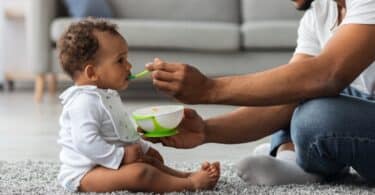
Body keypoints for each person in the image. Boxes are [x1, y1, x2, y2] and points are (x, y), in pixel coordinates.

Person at [142, 0, 375, 185]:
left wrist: (208, 89)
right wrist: (206, 131)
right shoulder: (320, 13)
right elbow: (288, 95)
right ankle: (292, 156)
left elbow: (326, 75)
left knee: (316, 115)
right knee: (293, 88)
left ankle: (301, 162)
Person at [56, 18, 220, 193]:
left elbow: (120, 131)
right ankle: (191, 184)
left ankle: (184, 176)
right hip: (86, 174)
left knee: (151, 159)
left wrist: (143, 148)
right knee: (140, 173)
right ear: (92, 72)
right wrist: (122, 156)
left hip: (106, 165)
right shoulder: (83, 102)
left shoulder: (107, 95)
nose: (129, 66)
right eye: (120, 60)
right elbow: (86, 142)